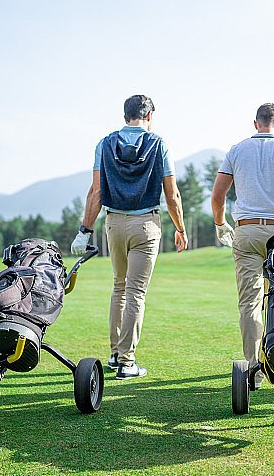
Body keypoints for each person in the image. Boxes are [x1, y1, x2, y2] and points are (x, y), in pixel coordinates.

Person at [71, 94, 188, 380]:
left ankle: (114, 354)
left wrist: (84, 230)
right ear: (149, 117)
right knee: (135, 292)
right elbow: (171, 195)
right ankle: (126, 362)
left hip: (114, 223)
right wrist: (181, 229)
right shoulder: (159, 143)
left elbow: (96, 192)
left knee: (119, 288)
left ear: (125, 117)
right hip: (146, 224)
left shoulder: (105, 143)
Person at [210, 103, 274, 388]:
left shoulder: (236, 149)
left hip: (245, 231)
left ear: (256, 123)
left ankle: (253, 369)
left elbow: (218, 195)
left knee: (249, 303)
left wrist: (220, 225)